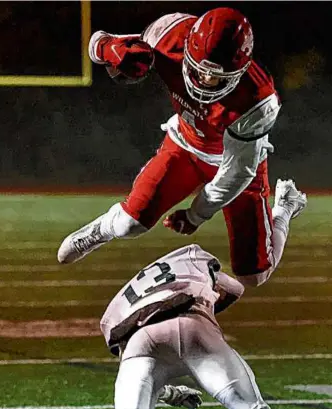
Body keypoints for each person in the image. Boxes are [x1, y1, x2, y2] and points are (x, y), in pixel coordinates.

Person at [57, 7, 307, 287]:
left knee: (254, 276)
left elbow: (234, 173)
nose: (205, 81)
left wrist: (195, 214)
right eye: (200, 71)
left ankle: (285, 208)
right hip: (185, 146)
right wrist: (109, 50)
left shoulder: (258, 101)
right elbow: (97, 42)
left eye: (218, 77)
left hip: (233, 163)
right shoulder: (168, 33)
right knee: (130, 223)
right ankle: (99, 231)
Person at [95, 243, 303, 409]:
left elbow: (135, 366)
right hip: (193, 325)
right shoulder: (192, 257)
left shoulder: (124, 298)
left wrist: (168, 392)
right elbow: (234, 289)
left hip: (139, 340)